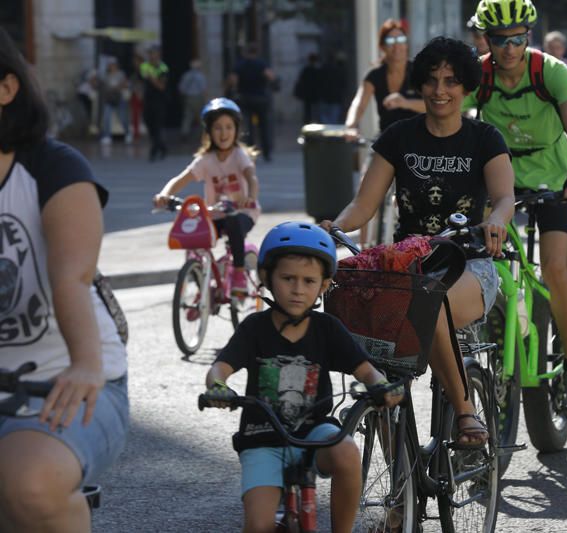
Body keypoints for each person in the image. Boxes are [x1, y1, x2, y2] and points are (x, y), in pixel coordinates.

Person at [323, 36, 517, 443]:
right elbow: (363, 205)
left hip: (470, 266)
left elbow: (503, 199)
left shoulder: (485, 138)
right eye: (431, 80)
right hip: (405, 270)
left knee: (431, 302)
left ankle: (465, 411)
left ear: (466, 86)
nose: (440, 90)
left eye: (450, 80)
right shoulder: (398, 137)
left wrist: (497, 221)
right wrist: (331, 228)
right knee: (385, 365)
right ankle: (401, 496)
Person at [0, 27, 129, 531]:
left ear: (6, 90)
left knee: (28, 486)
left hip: (62, 383)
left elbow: (71, 278)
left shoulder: (53, 168)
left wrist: (85, 365)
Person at [204, 222, 403, 532]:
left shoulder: (327, 328)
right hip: (261, 438)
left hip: (314, 434)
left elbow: (364, 368)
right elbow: (220, 368)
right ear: (267, 279)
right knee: (258, 525)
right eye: (287, 278)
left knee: (347, 453)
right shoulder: (254, 327)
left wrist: (379, 385)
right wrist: (218, 386)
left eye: (309, 281)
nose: (298, 289)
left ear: (323, 286)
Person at [466, 0, 567, 417]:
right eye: (498, 40)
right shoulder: (479, 73)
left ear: (528, 37)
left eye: (517, 39)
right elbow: (450, 111)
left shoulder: (549, 71)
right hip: (499, 176)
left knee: (555, 269)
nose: (508, 48)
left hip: (553, 176)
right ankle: (494, 319)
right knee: (480, 254)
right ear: (486, 39)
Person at [153, 98, 260, 295]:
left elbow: (251, 177)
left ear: (236, 130)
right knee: (193, 235)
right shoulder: (206, 160)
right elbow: (181, 179)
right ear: (209, 131)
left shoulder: (239, 156)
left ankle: (238, 272)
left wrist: (250, 196)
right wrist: (165, 194)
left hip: (242, 212)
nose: (223, 133)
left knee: (233, 221)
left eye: (229, 127)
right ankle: (200, 288)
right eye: (218, 127)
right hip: (215, 215)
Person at [345, 19, 425, 136]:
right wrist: (350, 126)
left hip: (418, 141)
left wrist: (405, 103)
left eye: (401, 39)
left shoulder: (419, 71)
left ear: (406, 44)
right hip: (387, 141)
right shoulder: (375, 74)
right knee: (375, 153)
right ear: (382, 47)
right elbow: (358, 104)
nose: (396, 45)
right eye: (390, 40)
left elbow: (433, 106)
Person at [233, 43, 279, 162]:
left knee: (248, 127)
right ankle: (267, 153)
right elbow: (271, 77)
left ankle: (250, 152)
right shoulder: (261, 64)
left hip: (245, 98)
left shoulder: (240, 65)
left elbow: (233, 80)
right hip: (260, 98)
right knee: (264, 126)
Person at [140, 44, 169, 161]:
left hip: (159, 102)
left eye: (153, 53)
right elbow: (140, 80)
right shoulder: (145, 66)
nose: (151, 56)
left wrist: (151, 77)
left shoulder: (163, 68)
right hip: (147, 101)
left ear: (158, 55)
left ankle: (154, 151)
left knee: (157, 127)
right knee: (149, 125)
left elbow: (161, 86)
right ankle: (162, 147)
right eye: (150, 53)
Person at [100, 57, 132, 145]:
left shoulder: (120, 74)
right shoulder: (106, 75)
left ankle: (128, 133)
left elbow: (125, 84)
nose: (111, 66)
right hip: (109, 99)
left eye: (113, 65)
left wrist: (118, 87)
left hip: (119, 98)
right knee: (106, 117)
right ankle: (107, 136)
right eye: (110, 65)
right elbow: (104, 87)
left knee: (123, 117)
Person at [178, 58, 208, 139]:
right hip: (197, 97)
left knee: (187, 116)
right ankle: (205, 133)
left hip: (188, 97)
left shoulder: (186, 75)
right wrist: (206, 99)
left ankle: (185, 133)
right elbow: (203, 89)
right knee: (201, 116)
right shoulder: (200, 76)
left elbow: (181, 88)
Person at [318, 52, 348, 123]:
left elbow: (319, 83)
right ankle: (331, 130)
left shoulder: (323, 69)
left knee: (324, 115)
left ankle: (328, 128)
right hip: (335, 97)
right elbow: (343, 84)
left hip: (325, 96)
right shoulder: (339, 70)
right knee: (334, 118)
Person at [293, 53, 322, 124]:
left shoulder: (306, 70)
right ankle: (314, 121)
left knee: (308, 110)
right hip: (314, 93)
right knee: (315, 109)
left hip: (307, 94)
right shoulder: (317, 70)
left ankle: (308, 121)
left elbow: (301, 80)